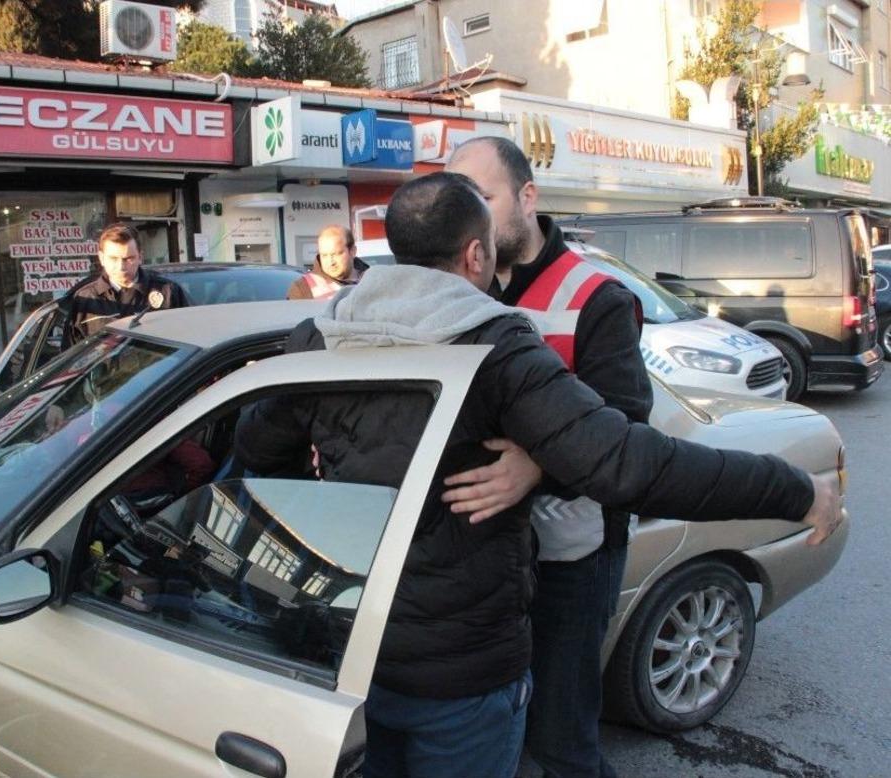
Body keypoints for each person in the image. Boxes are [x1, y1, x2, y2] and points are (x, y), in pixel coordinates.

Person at [232, 172, 842, 778]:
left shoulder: (320, 332)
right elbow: (630, 464)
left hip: (351, 638)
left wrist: (327, 508)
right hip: (464, 672)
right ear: (475, 255)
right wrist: (797, 490)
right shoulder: (494, 344)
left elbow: (257, 447)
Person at [448, 135, 648, 778]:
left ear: (528, 197)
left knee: (562, 733)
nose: (469, 214)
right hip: (488, 552)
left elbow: (625, 423)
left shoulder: (598, 297)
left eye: (482, 196)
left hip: (573, 552)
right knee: (505, 718)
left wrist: (535, 466)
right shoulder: (462, 286)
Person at [62, 222, 187, 347]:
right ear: (101, 258)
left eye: (128, 258)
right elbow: (70, 355)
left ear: (140, 257)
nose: (121, 267)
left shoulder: (168, 292)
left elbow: (189, 339)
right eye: (113, 259)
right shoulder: (85, 299)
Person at [286, 224, 369, 300]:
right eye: (324, 255)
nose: (331, 262)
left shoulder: (373, 280)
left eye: (336, 254)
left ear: (352, 251)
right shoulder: (303, 288)